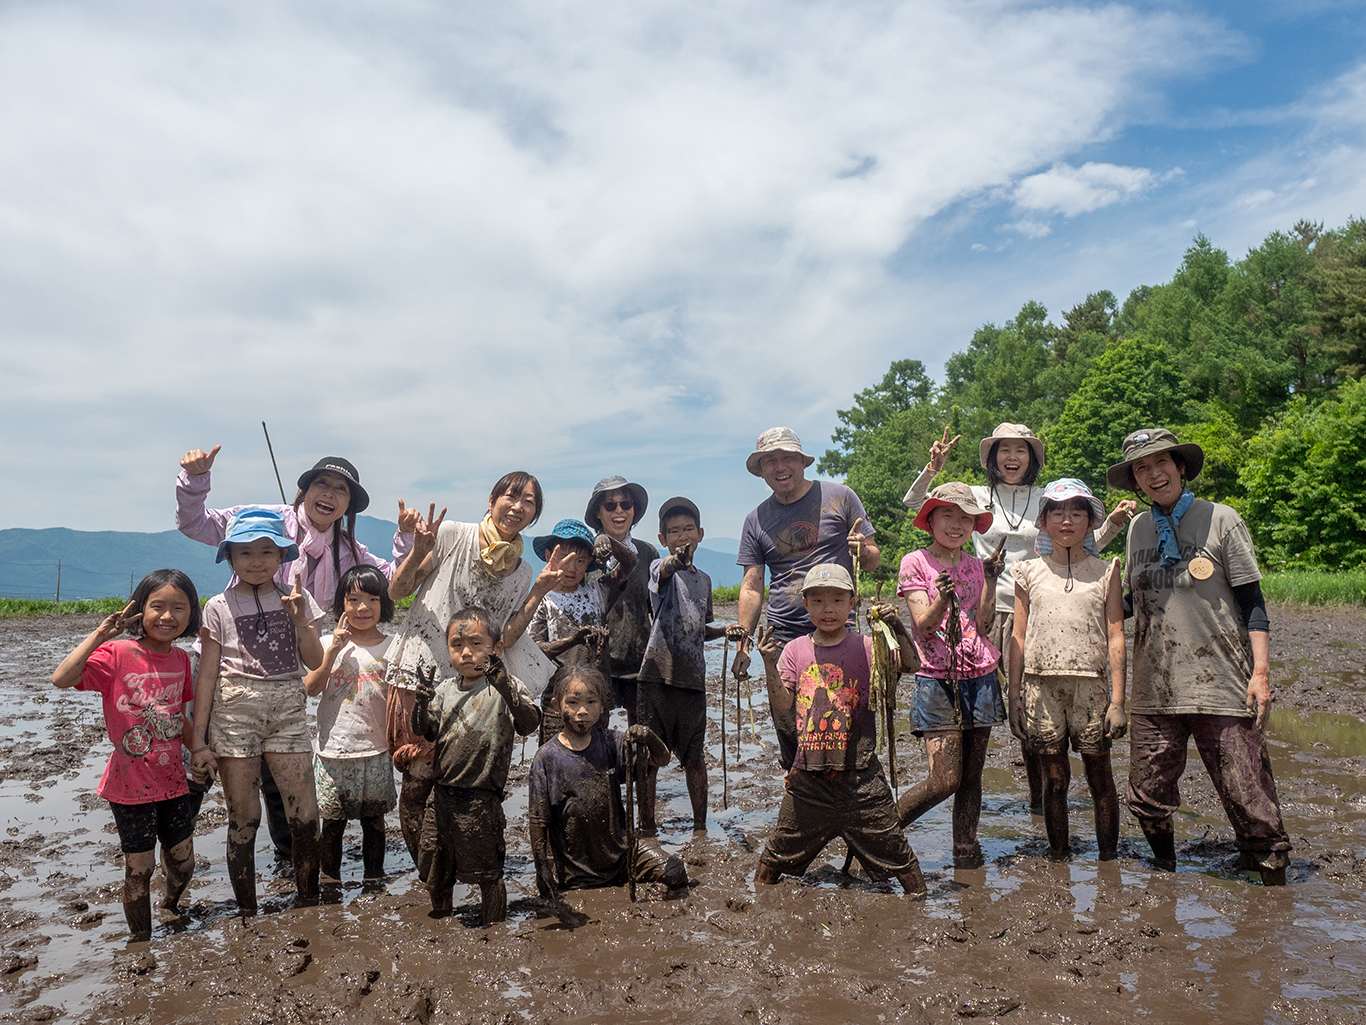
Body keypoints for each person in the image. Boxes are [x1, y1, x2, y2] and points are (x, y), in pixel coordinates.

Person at [175, 445, 412, 860]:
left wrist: (407, 538)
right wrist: (195, 480)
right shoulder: (266, 521)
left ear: (348, 506)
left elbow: (391, 582)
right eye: (322, 483)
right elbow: (195, 522)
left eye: (341, 489)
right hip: (222, 663)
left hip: (282, 675)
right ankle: (175, 850)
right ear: (305, 490)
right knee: (196, 756)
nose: (330, 493)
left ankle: (289, 857)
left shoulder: (349, 552)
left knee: (278, 766)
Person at [903, 424, 1133, 814]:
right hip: (983, 612)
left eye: (1021, 450)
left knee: (1034, 704)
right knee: (985, 705)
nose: (1012, 457)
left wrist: (1110, 523)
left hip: (1037, 610)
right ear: (992, 458)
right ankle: (967, 788)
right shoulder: (976, 496)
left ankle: (1040, 802)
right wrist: (933, 469)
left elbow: (1075, 541)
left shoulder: (1045, 498)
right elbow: (914, 503)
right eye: (1004, 450)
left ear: (1032, 459)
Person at [1106, 428, 1290, 884]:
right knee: (1146, 796)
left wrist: (1261, 674)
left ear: (1181, 467)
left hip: (1221, 682)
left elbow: (1253, 604)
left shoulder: (1221, 519)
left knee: (1248, 795)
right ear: (1134, 481)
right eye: (1141, 468)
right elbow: (1134, 601)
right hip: (1154, 687)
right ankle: (1165, 874)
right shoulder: (1138, 529)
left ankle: (1271, 885)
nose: (1153, 474)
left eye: (1161, 463)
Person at [383, 475, 558, 876]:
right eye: (511, 496)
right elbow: (397, 592)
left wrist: (538, 591)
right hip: (423, 674)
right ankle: (430, 874)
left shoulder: (522, 571)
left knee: (459, 778)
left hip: (472, 688)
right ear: (492, 500)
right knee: (419, 778)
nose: (518, 506)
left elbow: (506, 637)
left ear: (534, 514)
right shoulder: (452, 535)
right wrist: (418, 550)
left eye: (529, 501)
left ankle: (451, 866)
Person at [753, 565, 925, 897]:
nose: (827, 609)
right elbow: (784, 704)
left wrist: (896, 625)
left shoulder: (868, 646)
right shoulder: (795, 650)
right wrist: (769, 663)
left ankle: (919, 907)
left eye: (836, 600)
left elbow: (911, 664)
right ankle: (757, 909)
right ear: (806, 604)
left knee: (903, 864)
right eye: (818, 601)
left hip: (861, 779)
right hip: (809, 781)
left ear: (852, 603)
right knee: (772, 863)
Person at [51, 570, 202, 941]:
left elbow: (178, 717)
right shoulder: (118, 654)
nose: (167, 616)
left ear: (191, 614)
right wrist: (100, 635)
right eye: (157, 606)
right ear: (140, 610)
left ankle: (170, 904)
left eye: (178, 608)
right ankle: (141, 941)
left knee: (184, 863)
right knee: (140, 869)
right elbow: (61, 678)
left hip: (173, 783)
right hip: (129, 786)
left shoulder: (181, 659)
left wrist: (199, 749)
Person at [188, 509, 326, 910]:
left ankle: (309, 900)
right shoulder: (218, 606)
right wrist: (198, 741)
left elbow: (315, 660)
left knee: (305, 813)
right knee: (243, 817)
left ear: (282, 556)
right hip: (234, 713)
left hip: (288, 711)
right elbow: (207, 676)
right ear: (229, 557)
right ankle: (247, 909)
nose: (256, 561)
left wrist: (301, 621)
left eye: (267, 551)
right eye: (245, 552)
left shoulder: (298, 599)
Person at [733, 428, 878, 768]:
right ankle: (797, 782)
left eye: (787, 458)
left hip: (837, 627)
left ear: (802, 462)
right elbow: (752, 586)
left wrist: (861, 549)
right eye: (770, 461)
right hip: (784, 632)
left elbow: (872, 558)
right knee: (790, 724)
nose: (780, 466)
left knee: (845, 719)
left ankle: (846, 785)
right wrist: (743, 644)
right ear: (761, 470)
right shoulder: (756, 519)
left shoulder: (840, 497)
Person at [1007, 479, 1127, 860]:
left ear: (1090, 521)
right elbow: (1019, 636)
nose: (1066, 520)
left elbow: (1116, 635)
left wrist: (1118, 702)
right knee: (1055, 779)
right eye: (1057, 512)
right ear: (1043, 521)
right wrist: (1013, 696)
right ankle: (1059, 857)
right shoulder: (1027, 572)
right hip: (1040, 686)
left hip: (1091, 687)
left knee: (1099, 777)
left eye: (1077, 513)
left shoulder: (1106, 571)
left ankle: (1108, 861)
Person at [894, 483, 1007, 869]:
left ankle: (965, 851)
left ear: (975, 526)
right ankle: (880, 834)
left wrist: (991, 579)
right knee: (944, 779)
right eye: (948, 515)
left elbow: (985, 625)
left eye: (966, 518)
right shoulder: (915, 562)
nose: (957, 525)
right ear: (930, 520)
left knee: (972, 777)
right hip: (937, 678)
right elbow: (924, 626)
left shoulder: (976, 565)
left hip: (980, 675)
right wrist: (943, 597)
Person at [411, 608, 540, 923]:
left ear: (496, 649)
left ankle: (494, 925)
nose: (466, 652)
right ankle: (441, 917)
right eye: (457, 645)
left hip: (481, 798)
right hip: (442, 795)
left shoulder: (506, 687)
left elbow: (528, 724)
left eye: (476, 644)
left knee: (488, 872)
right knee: (436, 869)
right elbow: (425, 731)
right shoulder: (445, 689)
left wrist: (506, 689)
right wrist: (421, 703)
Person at [528, 665, 687, 900]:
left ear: (603, 706)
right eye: (573, 702)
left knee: (675, 871)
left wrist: (648, 736)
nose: (582, 711)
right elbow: (538, 821)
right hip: (577, 869)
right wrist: (542, 868)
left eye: (590, 702)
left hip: (622, 856)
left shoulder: (612, 743)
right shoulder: (547, 758)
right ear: (556, 706)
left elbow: (661, 759)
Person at [637, 497, 727, 834]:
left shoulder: (704, 580)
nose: (682, 535)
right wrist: (675, 561)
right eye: (674, 531)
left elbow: (699, 630)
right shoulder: (659, 570)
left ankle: (700, 827)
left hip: (692, 681)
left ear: (700, 534)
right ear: (662, 539)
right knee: (649, 758)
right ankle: (647, 827)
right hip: (656, 677)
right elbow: (664, 570)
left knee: (694, 757)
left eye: (688, 529)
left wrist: (727, 632)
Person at [304, 565, 397, 883]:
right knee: (332, 823)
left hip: (376, 749)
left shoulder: (393, 646)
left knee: (374, 821)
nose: (362, 608)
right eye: (353, 599)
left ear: (384, 604)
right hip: (333, 751)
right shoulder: (326, 642)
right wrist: (333, 651)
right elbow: (311, 687)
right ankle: (329, 880)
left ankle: (374, 878)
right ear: (341, 604)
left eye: (372, 599)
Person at [529, 519, 637, 742]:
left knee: (596, 758)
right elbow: (535, 651)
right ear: (549, 556)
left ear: (589, 562)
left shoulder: (598, 592)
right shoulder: (542, 600)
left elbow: (629, 563)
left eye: (580, 561)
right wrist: (573, 640)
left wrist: (607, 541)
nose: (572, 568)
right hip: (557, 704)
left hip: (595, 701)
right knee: (555, 758)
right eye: (565, 558)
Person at [584, 476, 659, 725]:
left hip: (639, 661)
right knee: (595, 730)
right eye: (610, 505)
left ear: (633, 510)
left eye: (626, 504)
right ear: (598, 513)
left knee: (642, 733)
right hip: (596, 662)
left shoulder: (647, 553)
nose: (619, 511)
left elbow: (656, 609)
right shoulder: (586, 554)